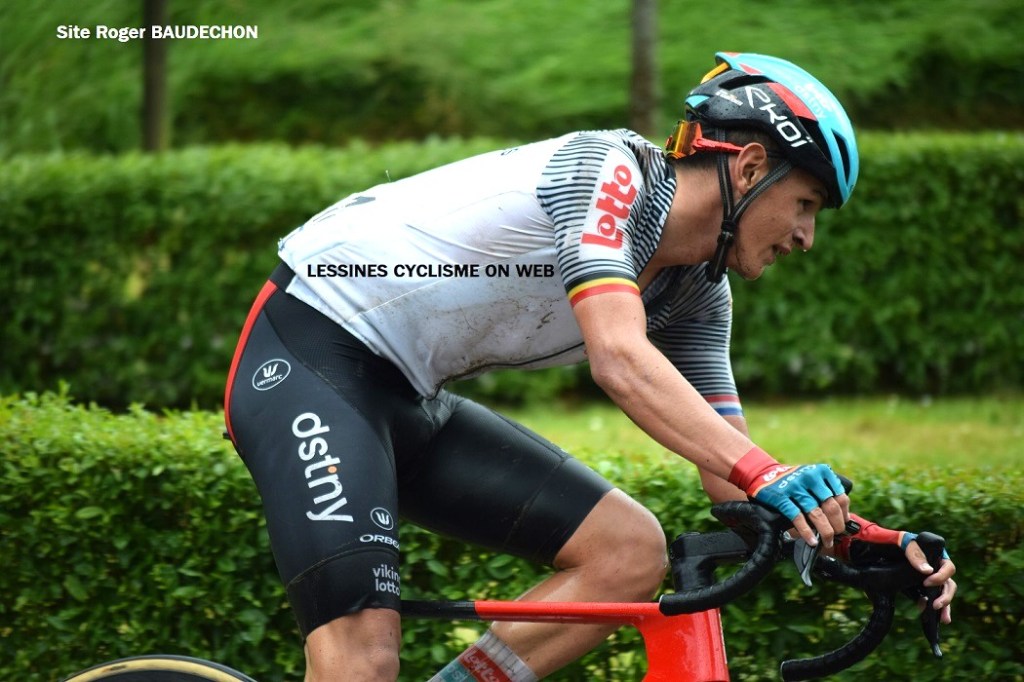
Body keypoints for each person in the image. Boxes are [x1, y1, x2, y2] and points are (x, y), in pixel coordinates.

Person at [223, 52, 956, 681]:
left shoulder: (696, 293)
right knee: (362, 655)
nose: (806, 236)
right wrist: (769, 476)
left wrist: (863, 541)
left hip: (408, 394)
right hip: (308, 355)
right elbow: (619, 358)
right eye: (805, 204)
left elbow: (734, 477)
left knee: (628, 553)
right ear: (751, 167)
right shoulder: (606, 172)